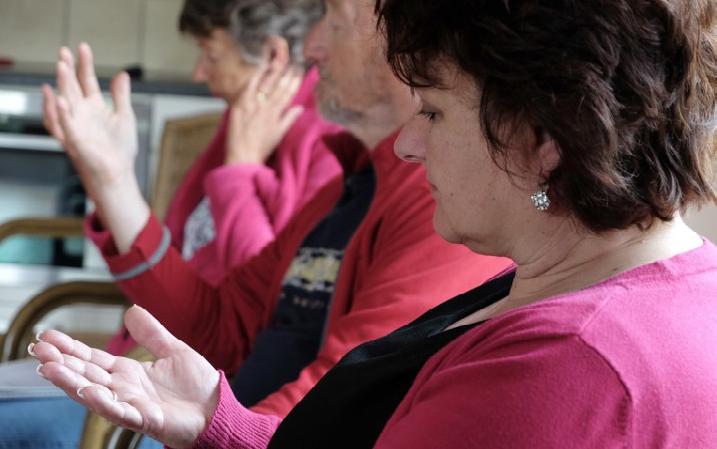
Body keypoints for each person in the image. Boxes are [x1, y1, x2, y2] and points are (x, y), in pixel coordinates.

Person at [30, 0, 717, 448]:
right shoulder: (576, 282)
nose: (410, 144)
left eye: (435, 112)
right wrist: (220, 421)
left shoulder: (563, 365)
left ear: (540, 137)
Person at [34, 0, 509, 433]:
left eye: (334, 22)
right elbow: (224, 324)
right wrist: (112, 180)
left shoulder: (442, 199)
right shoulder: (350, 181)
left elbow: (350, 396)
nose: (312, 45)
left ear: (403, 45)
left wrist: (212, 429)